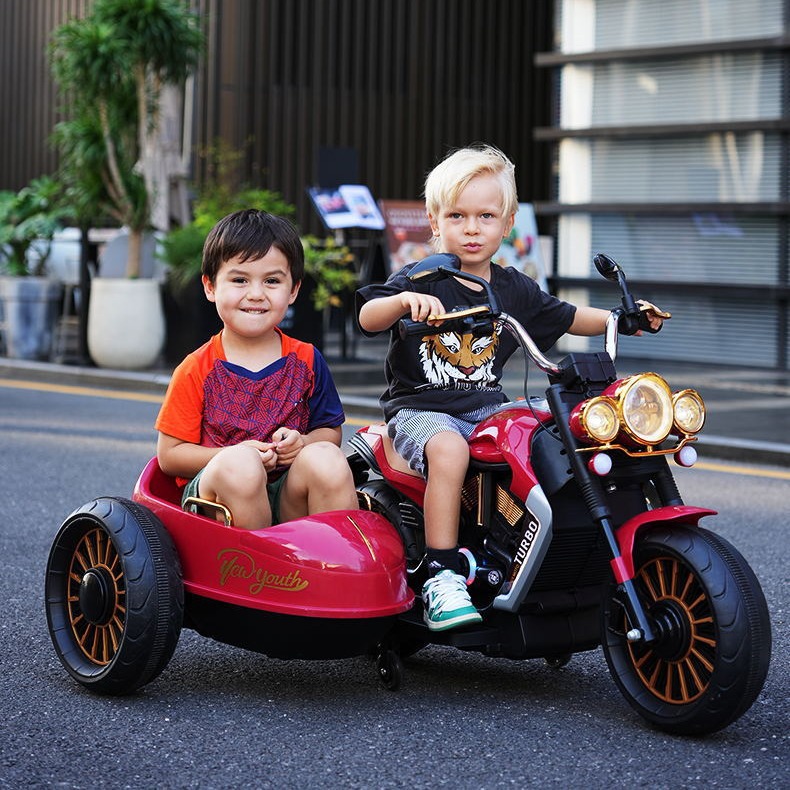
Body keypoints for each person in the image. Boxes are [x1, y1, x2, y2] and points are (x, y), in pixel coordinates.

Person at [356, 145, 666, 631]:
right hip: (421, 411)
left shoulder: (512, 287)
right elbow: (368, 316)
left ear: (508, 222)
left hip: (485, 407)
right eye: (457, 216)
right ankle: (441, 571)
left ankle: (542, 549)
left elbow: (562, 315)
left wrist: (619, 319)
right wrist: (403, 303)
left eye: (486, 216)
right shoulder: (424, 275)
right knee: (449, 450)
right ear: (435, 222)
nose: (472, 228)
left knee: (551, 429)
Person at [156, 209, 358, 530]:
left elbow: (329, 433)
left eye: (272, 281)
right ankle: (255, 572)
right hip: (219, 503)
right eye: (239, 280)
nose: (255, 294)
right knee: (242, 465)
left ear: (293, 290)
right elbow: (170, 456)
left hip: (287, 494)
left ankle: (337, 566)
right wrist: (234, 453)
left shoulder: (306, 359)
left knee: (326, 458)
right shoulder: (197, 368)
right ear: (210, 287)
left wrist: (301, 443)